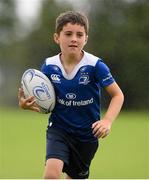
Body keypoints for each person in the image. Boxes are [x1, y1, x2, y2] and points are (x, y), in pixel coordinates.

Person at [18, 11, 124, 179]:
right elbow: (47, 103)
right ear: (56, 37)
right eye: (68, 34)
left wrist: (107, 121)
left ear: (86, 39)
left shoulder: (95, 65)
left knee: (74, 177)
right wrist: (27, 105)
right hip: (59, 129)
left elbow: (118, 95)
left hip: (87, 135)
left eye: (79, 34)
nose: (74, 38)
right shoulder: (48, 66)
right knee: (51, 175)